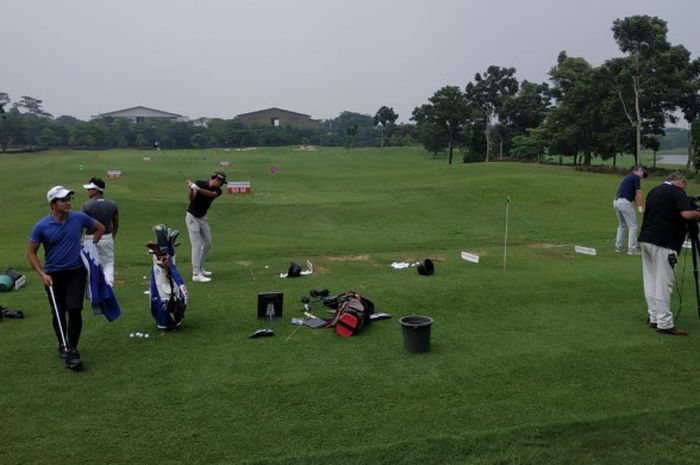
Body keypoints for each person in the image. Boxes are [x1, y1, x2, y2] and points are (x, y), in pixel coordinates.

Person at [27, 186, 105, 369]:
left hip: (76, 272)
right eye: (63, 200)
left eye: (69, 199)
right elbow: (31, 253)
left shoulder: (78, 218)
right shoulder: (41, 226)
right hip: (53, 275)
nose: (68, 202)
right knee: (58, 311)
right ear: (53, 204)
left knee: (75, 309)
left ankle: (72, 349)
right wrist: (42, 274)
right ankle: (63, 344)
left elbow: (99, 228)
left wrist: (89, 246)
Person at [638, 172, 700, 336]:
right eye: (684, 186)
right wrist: (697, 214)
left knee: (650, 280)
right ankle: (664, 322)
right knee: (664, 282)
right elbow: (686, 214)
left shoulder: (654, 190)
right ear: (680, 181)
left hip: (646, 238)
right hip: (665, 241)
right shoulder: (677, 191)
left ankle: (654, 316)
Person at [185, 171, 226, 282]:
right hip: (192, 217)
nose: (220, 185)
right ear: (215, 179)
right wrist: (192, 189)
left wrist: (197, 188)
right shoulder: (199, 183)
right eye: (220, 182)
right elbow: (191, 199)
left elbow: (210, 194)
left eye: (221, 183)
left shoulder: (218, 191)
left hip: (202, 217)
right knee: (197, 244)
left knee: (207, 243)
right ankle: (196, 274)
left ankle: (200, 268)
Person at [82, 177, 119, 286]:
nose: (88, 191)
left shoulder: (87, 205)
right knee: (108, 264)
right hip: (107, 237)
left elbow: (82, 224)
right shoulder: (112, 204)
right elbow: (116, 223)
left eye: (90, 189)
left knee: (91, 264)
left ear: (96, 190)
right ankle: (108, 287)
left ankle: (94, 291)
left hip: (90, 239)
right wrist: (112, 236)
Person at [613, 165, 647, 255]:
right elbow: (639, 193)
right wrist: (642, 207)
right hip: (624, 203)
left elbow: (635, 197)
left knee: (622, 225)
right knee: (633, 226)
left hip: (616, 202)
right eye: (643, 174)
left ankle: (618, 247)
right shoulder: (636, 177)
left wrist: (639, 206)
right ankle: (632, 249)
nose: (642, 177)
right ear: (639, 171)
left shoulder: (629, 177)